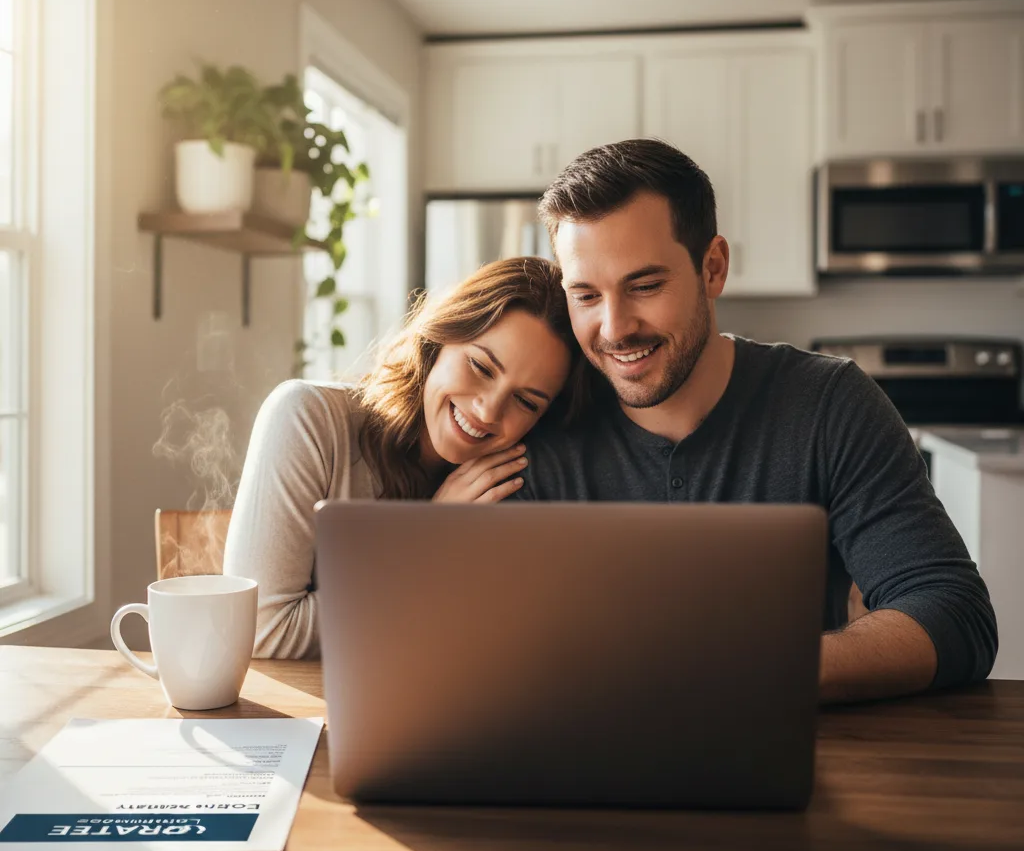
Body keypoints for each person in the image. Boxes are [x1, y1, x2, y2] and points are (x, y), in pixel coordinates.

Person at [517, 139, 997, 704]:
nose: (615, 327)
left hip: (798, 758)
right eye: (585, 295)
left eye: (645, 286)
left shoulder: (829, 404)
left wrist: (760, 671)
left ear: (713, 267)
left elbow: (953, 611)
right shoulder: (539, 421)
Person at [224, 256, 586, 659]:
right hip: (301, 713)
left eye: (525, 401)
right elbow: (263, 632)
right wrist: (425, 540)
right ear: (440, 338)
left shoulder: (513, 486)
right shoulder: (307, 418)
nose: (488, 412)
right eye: (481, 367)